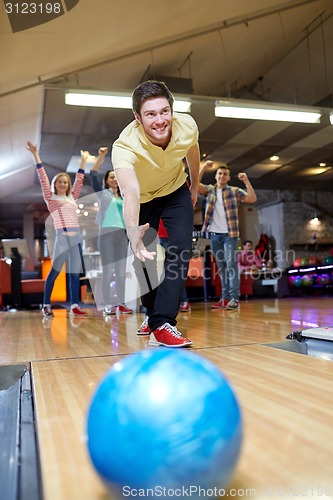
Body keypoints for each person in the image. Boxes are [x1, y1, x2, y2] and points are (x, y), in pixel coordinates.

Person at [112, 80, 200, 347]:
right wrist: (132, 232)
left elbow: (192, 151)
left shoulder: (187, 125)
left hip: (175, 190)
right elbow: (130, 191)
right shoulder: (124, 146)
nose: (160, 120)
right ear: (138, 118)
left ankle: (162, 324)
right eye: (151, 114)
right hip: (144, 198)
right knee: (143, 257)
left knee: (182, 248)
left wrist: (194, 185)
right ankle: (151, 314)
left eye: (164, 111)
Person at [26, 141, 88, 317]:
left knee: (75, 274)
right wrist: (35, 154)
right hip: (62, 237)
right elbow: (42, 176)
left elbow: (80, 179)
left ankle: (74, 305)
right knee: (55, 272)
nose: (63, 184)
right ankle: (46, 304)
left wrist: (83, 161)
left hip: (76, 239)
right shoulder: (50, 197)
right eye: (60, 182)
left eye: (66, 182)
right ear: (55, 184)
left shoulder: (72, 197)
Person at [198, 162, 257, 310]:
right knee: (222, 267)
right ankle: (224, 298)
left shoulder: (234, 191)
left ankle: (234, 298)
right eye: (220, 174)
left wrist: (246, 181)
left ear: (229, 177)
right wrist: (203, 168)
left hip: (230, 234)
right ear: (216, 176)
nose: (222, 176)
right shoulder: (210, 190)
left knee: (231, 265)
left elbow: (252, 199)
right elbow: (196, 185)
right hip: (214, 235)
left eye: (225, 174)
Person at [89, 147, 133, 316]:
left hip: (122, 235)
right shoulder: (104, 194)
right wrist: (101, 157)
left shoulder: (124, 196)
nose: (114, 179)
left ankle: (121, 304)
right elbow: (92, 176)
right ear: (106, 181)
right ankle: (108, 304)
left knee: (121, 271)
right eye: (111, 177)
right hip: (106, 234)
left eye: (116, 177)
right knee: (108, 271)